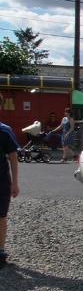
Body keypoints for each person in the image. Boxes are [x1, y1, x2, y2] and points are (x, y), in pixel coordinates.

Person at [0, 93, 20, 268]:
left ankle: (0, 250)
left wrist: (15, 183)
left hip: (2, 181)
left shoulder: (5, 131)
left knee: (1, 216)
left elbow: (13, 157)